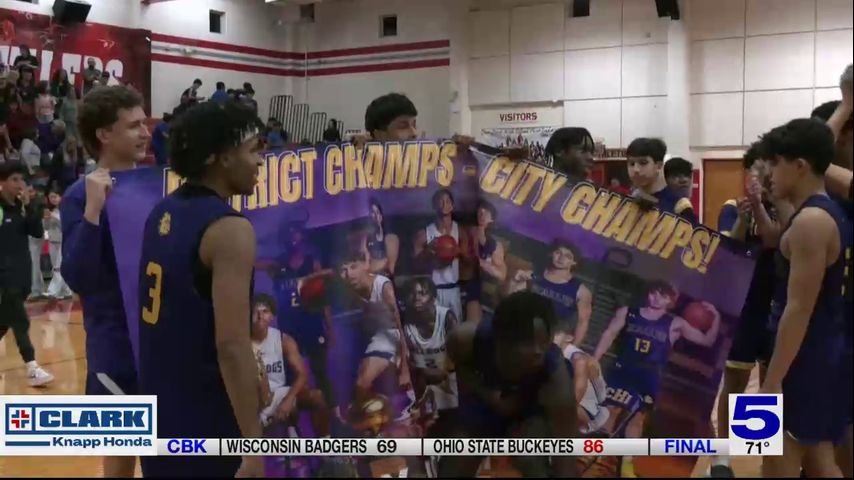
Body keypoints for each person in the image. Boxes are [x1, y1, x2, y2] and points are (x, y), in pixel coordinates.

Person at [137, 100, 264, 477]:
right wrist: (253, 447)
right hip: (205, 417)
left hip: (159, 413)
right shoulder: (229, 229)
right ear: (221, 157)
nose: (260, 162)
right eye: (253, 150)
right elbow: (231, 346)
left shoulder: (161, 211)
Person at [59, 86, 150, 478]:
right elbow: (78, 276)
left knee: (169, 457)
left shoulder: (159, 188)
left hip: (163, 345)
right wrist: (94, 211)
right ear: (104, 134)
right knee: (120, 460)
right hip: (114, 349)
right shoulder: (79, 196)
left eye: (144, 123)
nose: (145, 132)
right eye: (134, 125)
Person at [758, 118, 852, 478]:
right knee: (819, 459)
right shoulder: (822, 212)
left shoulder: (812, 222)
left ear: (799, 166)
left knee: (774, 459)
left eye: (775, 164)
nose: (769, 174)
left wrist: (771, 382)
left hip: (802, 356)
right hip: (812, 352)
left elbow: (799, 309)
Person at [441, 291, 578, 477]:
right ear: (502, 340)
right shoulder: (465, 338)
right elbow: (460, 367)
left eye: (544, 341)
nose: (538, 351)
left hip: (531, 411)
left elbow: (566, 454)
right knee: (456, 458)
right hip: (488, 401)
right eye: (528, 342)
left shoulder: (556, 377)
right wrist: (487, 396)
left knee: (529, 456)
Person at [593, 280, 720, 477]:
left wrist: (716, 317)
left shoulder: (675, 323)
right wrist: (595, 358)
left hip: (648, 375)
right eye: (654, 293)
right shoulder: (628, 312)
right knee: (608, 410)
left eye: (664, 296)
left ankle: (627, 461)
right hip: (622, 368)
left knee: (637, 418)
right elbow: (609, 334)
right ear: (648, 293)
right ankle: (597, 453)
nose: (657, 298)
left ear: (671, 301)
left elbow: (707, 340)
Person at [709, 144, 782, 477]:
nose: (760, 175)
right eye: (755, 168)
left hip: (776, 302)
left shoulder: (785, 206)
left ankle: (759, 458)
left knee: (768, 385)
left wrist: (762, 206)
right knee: (734, 381)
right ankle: (723, 460)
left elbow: (773, 241)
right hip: (743, 303)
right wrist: (743, 215)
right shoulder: (731, 206)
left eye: (766, 167)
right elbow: (729, 249)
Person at [0, 162, 54, 386]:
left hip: (22, 275)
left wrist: (30, 207)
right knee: (20, 320)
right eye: (14, 179)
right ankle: (32, 367)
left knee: (4, 321)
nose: (20, 184)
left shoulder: (20, 208)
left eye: (22, 180)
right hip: (4, 277)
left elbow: (37, 232)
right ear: (2, 182)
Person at [336, 246, 410, 407]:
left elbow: (403, 327)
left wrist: (405, 368)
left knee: (363, 382)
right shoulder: (351, 288)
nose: (349, 274)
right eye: (343, 270)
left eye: (353, 267)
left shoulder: (385, 288)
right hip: (380, 336)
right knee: (362, 384)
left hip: (398, 336)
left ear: (366, 265)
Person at [252, 294, 329, 436]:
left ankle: (326, 445)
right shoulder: (243, 345)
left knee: (316, 397)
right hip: (253, 401)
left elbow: (302, 375)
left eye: (265, 311)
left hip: (279, 394)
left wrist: (288, 400)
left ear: (272, 316)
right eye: (255, 312)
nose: (260, 316)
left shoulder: (283, 340)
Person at [402, 277, 459, 435]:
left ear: (433, 297)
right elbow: (406, 361)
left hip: (448, 383)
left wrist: (441, 372)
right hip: (422, 385)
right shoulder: (405, 322)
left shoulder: (446, 318)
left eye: (423, 293)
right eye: (412, 293)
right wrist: (421, 373)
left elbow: (457, 355)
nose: (417, 298)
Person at [508, 239, 592, 346]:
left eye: (567, 256)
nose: (561, 258)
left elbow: (583, 321)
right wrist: (514, 280)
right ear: (551, 254)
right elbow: (509, 299)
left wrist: (573, 347)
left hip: (553, 335)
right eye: (558, 253)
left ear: (574, 262)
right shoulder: (534, 275)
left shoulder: (581, 291)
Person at [412, 188, 470, 321]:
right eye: (440, 201)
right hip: (433, 291)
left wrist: (457, 251)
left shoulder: (460, 231)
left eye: (447, 201)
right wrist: (428, 251)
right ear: (434, 205)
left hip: (453, 289)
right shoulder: (423, 234)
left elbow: (469, 262)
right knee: (436, 328)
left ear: (452, 205)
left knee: (456, 329)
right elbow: (415, 265)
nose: (444, 205)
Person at [626, 137, 697, 223]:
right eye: (631, 164)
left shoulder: (679, 205)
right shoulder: (623, 201)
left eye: (643, 163)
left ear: (659, 166)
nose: (636, 169)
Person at [551, 331, 609, 434]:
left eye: (554, 333)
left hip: (587, 409)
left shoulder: (579, 359)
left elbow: (573, 400)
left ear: (568, 337)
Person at [464, 199, 506, 323]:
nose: (482, 215)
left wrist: (481, 263)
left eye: (486, 213)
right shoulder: (465, 232)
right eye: (480, 212)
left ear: (491, 219)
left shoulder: (495, 245)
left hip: (481, 288)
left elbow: (501, 274)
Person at [43, 187, 71, 300]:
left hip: (63, 241)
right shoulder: (51, 211)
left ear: (60, 197)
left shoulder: (66, 210)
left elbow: (66, 227)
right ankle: (66, 290)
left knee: (58, 267)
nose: (53, 199)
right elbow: (46, 228)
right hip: (52, 241)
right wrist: (47, 220)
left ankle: (52, 291)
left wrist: (56, 220)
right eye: (51, 197)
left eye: (55, 196)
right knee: (55, 266)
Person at [364, 197, 399, 276]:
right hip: (371, 277)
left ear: (381, 216)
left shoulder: (391, 238)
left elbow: (390, 267)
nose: (375, 215)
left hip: (385, 278)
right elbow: (366, 264)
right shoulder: (367, 239)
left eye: (377, 212)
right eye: (372, 213)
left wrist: (373, 266)